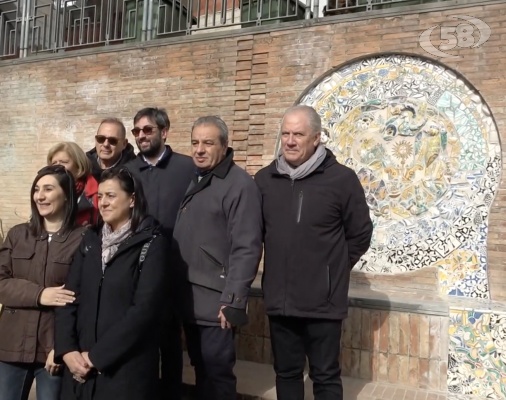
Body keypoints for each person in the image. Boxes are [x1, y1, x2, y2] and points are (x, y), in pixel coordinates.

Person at [254, 105, 373, 400]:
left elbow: (360, 233)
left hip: (323, 302)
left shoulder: (342, 180)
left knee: (325, 377)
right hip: (280, 300)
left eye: (298, 134)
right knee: (286, 373)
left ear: (317, 138)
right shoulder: (265, 180)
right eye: (285, 134)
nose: (290, 141)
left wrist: (331, 270)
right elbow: (254, 234)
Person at [54, 167, 169, 400]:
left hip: (123, 373)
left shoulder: (152, 244)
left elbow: (144, 311)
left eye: (111, 196)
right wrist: (67, 350)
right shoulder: (90, 242)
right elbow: (69, 297)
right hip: (80, 374)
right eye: (100, 197)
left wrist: (97, 357)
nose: (103, 203)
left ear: (132, 199)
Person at [172, 116, 263, 400]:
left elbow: (247, 246)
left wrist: (233, 301)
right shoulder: (198, 178)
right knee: (201, 370)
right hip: (189, 297)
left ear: (224, 146)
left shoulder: (238, 185)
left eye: (208, 143)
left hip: (216, 304)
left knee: (217, 374)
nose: (199, 149)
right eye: (195, 142)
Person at [0, 165, 87, 400]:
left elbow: (85, 299)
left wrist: (63, 346)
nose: (40, 196)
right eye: (36, 189)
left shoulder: (82, 238)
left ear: (66, 195)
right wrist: (39, 294)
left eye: (48, 189)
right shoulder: (18, 235)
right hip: (11, 346)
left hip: (52, 352)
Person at [125, 107, 195, 400]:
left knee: (170, 343)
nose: (141, 135)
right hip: (135, 271)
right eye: (137, 131)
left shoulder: (187, 168)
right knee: (140, 341)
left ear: (164, 132)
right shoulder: (127, 171)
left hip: (177, 270)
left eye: (148, 130)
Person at [48, 142, 99, 227]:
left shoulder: (98, 194)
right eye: (54, 163)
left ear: (78, 165)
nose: (57, 167)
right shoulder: (46, 194)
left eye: (63, 162)